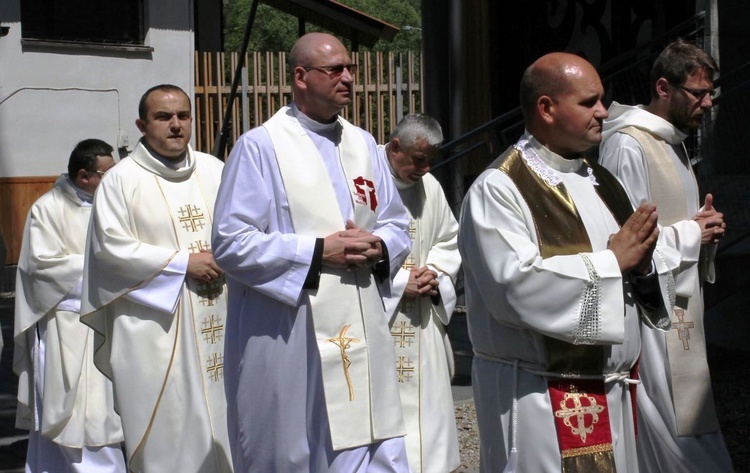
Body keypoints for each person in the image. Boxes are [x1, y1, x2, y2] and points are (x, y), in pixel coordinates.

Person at [458, 52, 683, 472]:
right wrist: (613, 262)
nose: (604, 111)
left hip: (612, 392)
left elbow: (638, 265)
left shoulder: (602, 181)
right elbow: (514, 287)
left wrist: (647, 263)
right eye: (589, 102)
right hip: (540, 396)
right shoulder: (501, 188)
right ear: (546, 108)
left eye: (602, 100)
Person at [211, 32, 413, 472]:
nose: (347, 78)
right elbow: (230, 243)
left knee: (372, 443)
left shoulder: (364, 145)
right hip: (292, 329)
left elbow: (398, 222)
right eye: (334, 69)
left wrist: (379, 246)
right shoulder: (261, 147)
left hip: (361, 324)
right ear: (300, 77)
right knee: (298, 448)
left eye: (350, 68)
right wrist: (318, 251)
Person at [80, 84, 232, 472]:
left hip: (223, 319)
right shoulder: (121, 181)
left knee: (230, 423)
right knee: (169, 434)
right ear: (142, 125)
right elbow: (109, 250)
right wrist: (183, 263)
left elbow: (244, 232)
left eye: (183, 116)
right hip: (156, 331)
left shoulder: (216, 171)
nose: (176, 126)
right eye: (164, 117)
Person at [599, 38, 732, 472]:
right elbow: (624, 239)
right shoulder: (627, 144)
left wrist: (703, 227)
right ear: (663, 87)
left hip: (678, 304)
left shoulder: (671, 142)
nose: (708, 103)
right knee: (668, 427)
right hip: (649, 311)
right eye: (698, 93)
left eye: (710, 92)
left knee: (688, 421)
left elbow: (671, 224)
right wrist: (691, 233)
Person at [14, 139, 125, 472]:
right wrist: (106, 267)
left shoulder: (112, 206)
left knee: (101, 412)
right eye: (108, 173)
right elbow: (40, 268)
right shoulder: (47, 209)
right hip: (65, 326)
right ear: (83, 175)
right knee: (74, 414)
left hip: (105, 320)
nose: (115, 179)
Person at [379, 113, 461, 473]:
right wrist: (398, 284)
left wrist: (436, 275)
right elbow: (346, 251)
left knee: (428, 429)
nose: (426, 169)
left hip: (423, 322)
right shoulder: (365, 182)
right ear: (395, 147)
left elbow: (448, 240)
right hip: (380, 322)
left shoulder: (431, 188)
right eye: (418, 159)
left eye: (431, 160)